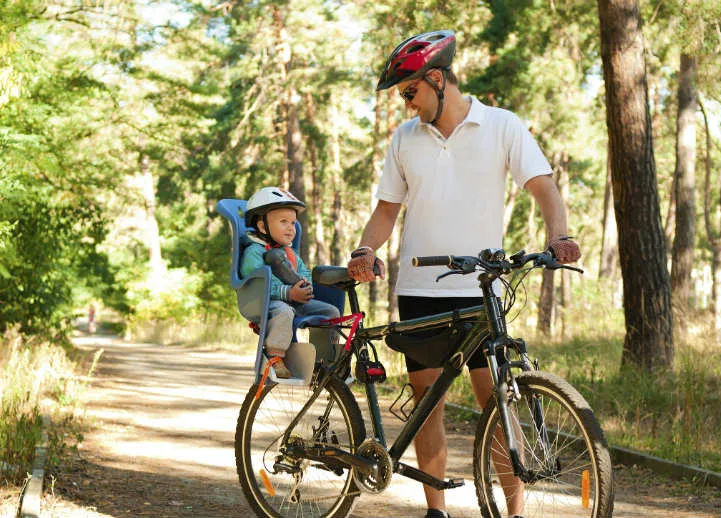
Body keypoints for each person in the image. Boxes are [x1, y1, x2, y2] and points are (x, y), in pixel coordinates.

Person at [347, 30, 581, 518]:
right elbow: (387, 210)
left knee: (497, 403)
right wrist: (366, 249)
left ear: (437, 79)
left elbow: (543, 187)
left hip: (481, 290)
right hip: (419, 290)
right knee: (426, 404)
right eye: (403, 95)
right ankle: (436, 511)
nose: (407, 103)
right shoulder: (404, 138)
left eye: (410, 91)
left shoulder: (501, 125)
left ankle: (514, 514)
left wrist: (559, 236)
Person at [241, 187, 340, 378]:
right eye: (283, 222)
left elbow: (303, 271)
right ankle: (275, 357)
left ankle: (324, 359)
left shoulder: (289, 252)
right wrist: (288, 292)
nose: (290, 228)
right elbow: (258, 284)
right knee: (283, 311)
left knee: (331, 313)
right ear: (262, 227)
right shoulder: (254, 252)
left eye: (293, 223)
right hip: (266, 302)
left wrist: (305, 285)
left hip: (295, 300)